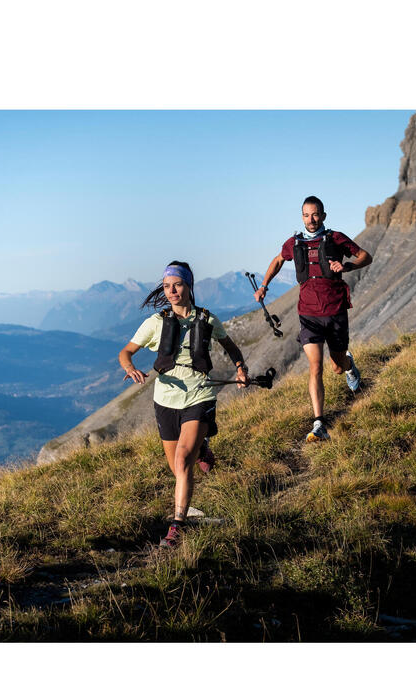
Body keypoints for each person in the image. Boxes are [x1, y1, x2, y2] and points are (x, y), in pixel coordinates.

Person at [119, 261, 248, 548]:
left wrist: (240, 369)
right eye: (167, 286)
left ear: (189, 286)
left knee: (182, 460)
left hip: (200, 395)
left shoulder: (208, 320)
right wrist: (129, 368)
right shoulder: (155, 323)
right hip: (165, 399)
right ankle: (202, 449)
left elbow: (230, 347)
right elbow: (125, 352)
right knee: (177, 469)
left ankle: (177, 527)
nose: (172, 291)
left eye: (177, 284)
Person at [254, 196, 372, 442]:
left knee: (337, 367)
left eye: (315, 214)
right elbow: (277, 261)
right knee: (315, 367)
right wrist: (264, 285)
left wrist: (347, 267)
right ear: (302, 217)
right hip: (308, 314)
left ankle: (349, 366)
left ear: (324, 216)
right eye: (306, 215)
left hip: (335, 310)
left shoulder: (336, 238)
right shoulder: (294, 242)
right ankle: (319, 424)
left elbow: (365, 256)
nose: (311, 219)